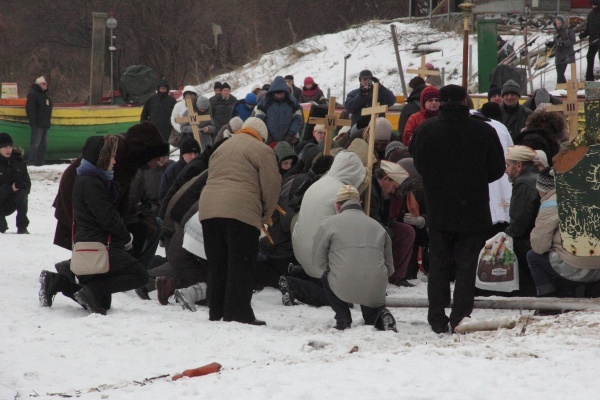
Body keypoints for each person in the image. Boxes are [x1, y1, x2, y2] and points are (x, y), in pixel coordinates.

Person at [410, 84, 505, 333]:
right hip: (473, 208)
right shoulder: (483, 130)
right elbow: (497, 169)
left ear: (441, 102)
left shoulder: (425, 130)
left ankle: (436, 317)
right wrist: (471, 178)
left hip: (439, 207)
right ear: (465, 101)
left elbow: (418, 164)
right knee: (466, 265)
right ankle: (461, 316)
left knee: (438, 264)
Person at [39, 135, 148, 315]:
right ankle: (88, 288)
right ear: (101, 158)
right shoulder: (91, 182)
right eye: (111, 156)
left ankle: (59, 282)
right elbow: (107, 218)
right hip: (99, 245)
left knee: (102, 304)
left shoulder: (92, 178)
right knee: (140, 275)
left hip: (93, 243)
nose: (114, 160)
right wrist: (126, 236)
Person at [199, 117, 281, 325]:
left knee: (217, 263)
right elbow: (271, 186)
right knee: (241, 264)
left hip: (209, 210)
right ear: (261, 136)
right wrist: (264, 216)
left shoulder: (222, 147)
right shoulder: (262, 150)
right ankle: (238, 313)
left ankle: (216, 310)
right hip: (240, 211)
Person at [313, 185, 397, 332]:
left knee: (326, 276)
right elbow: (389, 267)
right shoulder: (378, 226)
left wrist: (333, 268)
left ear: (338, 205)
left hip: (342, 282)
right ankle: (381, 315)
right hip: (374, 283)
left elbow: (318, 260)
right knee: (372, 307)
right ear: (360, 203)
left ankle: (343, 318)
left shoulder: (328, 224)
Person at [527, 167, 600, 298]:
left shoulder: (550, 204)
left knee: (533, 256)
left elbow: (539, 246)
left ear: (543, 190)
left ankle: (548, 300)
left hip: (578, 266)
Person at [504, 145, 540, 296]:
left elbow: (519, 224)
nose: (506, 170)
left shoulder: (524, 183)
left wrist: (505, 236)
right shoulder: (536, 178)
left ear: (518, 165)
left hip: (529, 242)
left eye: (507, 165)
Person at [255, 76, 303, 145]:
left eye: (282, 93)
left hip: (288, 140)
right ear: (273, 92)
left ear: (285, 91)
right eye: (278, 94)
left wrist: (290, 134)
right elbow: (259, 119)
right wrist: (267, 135)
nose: (280, 95)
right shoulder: (265, 101)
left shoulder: (292, 101)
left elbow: (297, 119)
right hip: (268, 140)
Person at [0, 133, 30, 234]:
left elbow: (27, 184)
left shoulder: (18, 161)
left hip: (10, 200)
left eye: (10, 147)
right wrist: (10, 188)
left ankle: (22, 227)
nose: (8, 150)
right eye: (4, 147)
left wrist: (22, 186)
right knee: (1, 229)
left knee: (22, 194)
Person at [158, 138, 200, 206]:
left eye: (196, 153)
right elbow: (164, 198)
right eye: (190, 153)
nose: (193, 156)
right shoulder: (172, 171)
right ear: (183, 154)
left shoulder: (204, 167)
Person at [25, 76, 53, 166]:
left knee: (43, 144)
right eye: (43, 84)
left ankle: (40, 161)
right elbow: (30, 109)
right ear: (39, 84)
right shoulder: (33, 94)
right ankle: (32, 161)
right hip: (37, 124)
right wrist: (33, 122)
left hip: (45, 123)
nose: (45, 85)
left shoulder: (45, 95)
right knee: (35, 144)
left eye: (46, 83)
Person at [547, 15, 576, 85]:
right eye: (556, 24)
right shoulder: (556, 32)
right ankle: (563, 87)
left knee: (560, 73)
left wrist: (563, 43)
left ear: (563, 23)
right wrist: (550, 44)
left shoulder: (568, 30)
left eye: (559, 23)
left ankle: (560, 87)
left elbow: (573, 41)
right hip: (558, 55)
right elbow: (555, 43)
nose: (558, 25)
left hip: (566, 54)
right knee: (559, 73)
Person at [580, 0, 600, 82]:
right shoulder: (591, 14)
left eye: (595, 5)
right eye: (592, 5)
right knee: (589, 57)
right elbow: (588, 28)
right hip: (593, 41)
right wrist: (583, 34)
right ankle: (589, 78)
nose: (594, 6)